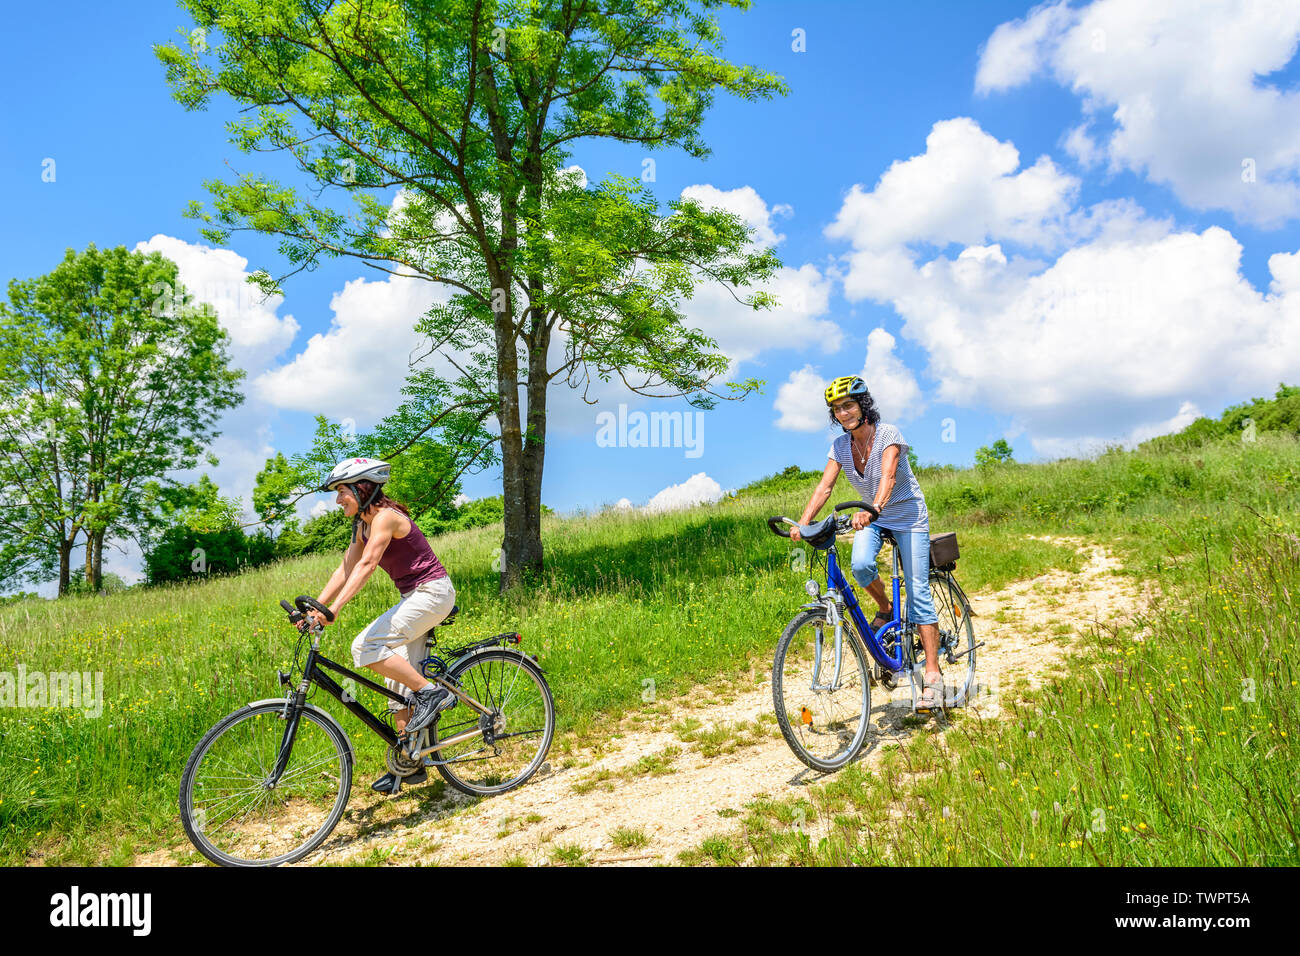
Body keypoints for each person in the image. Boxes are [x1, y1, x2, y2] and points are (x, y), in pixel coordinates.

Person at [297, 457, 457, 791]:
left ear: (362, 488)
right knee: (398, 684)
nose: (337, 499)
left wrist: (335, 610)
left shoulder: (386, 518)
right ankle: (410, 762)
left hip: (432, 592)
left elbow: (368, 564)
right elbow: (345, 568)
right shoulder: (362, 525)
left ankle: (434, 694)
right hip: (412, 597)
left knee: (365, 647)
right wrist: (317, 608)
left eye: (342, 491)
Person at [789, 376, 945, 711]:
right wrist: (804, 522)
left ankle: (932, 675)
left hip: (906, 516)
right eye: (836, 409)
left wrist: (874, 508)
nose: (843, 413)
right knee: (860, 565)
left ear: (863, 405)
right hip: (872, 515)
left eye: (848, 405)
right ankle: (886, 609)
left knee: (917, 591)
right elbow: (824, 488)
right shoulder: (840, 446)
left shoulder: (889, 433)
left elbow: (888, 475)